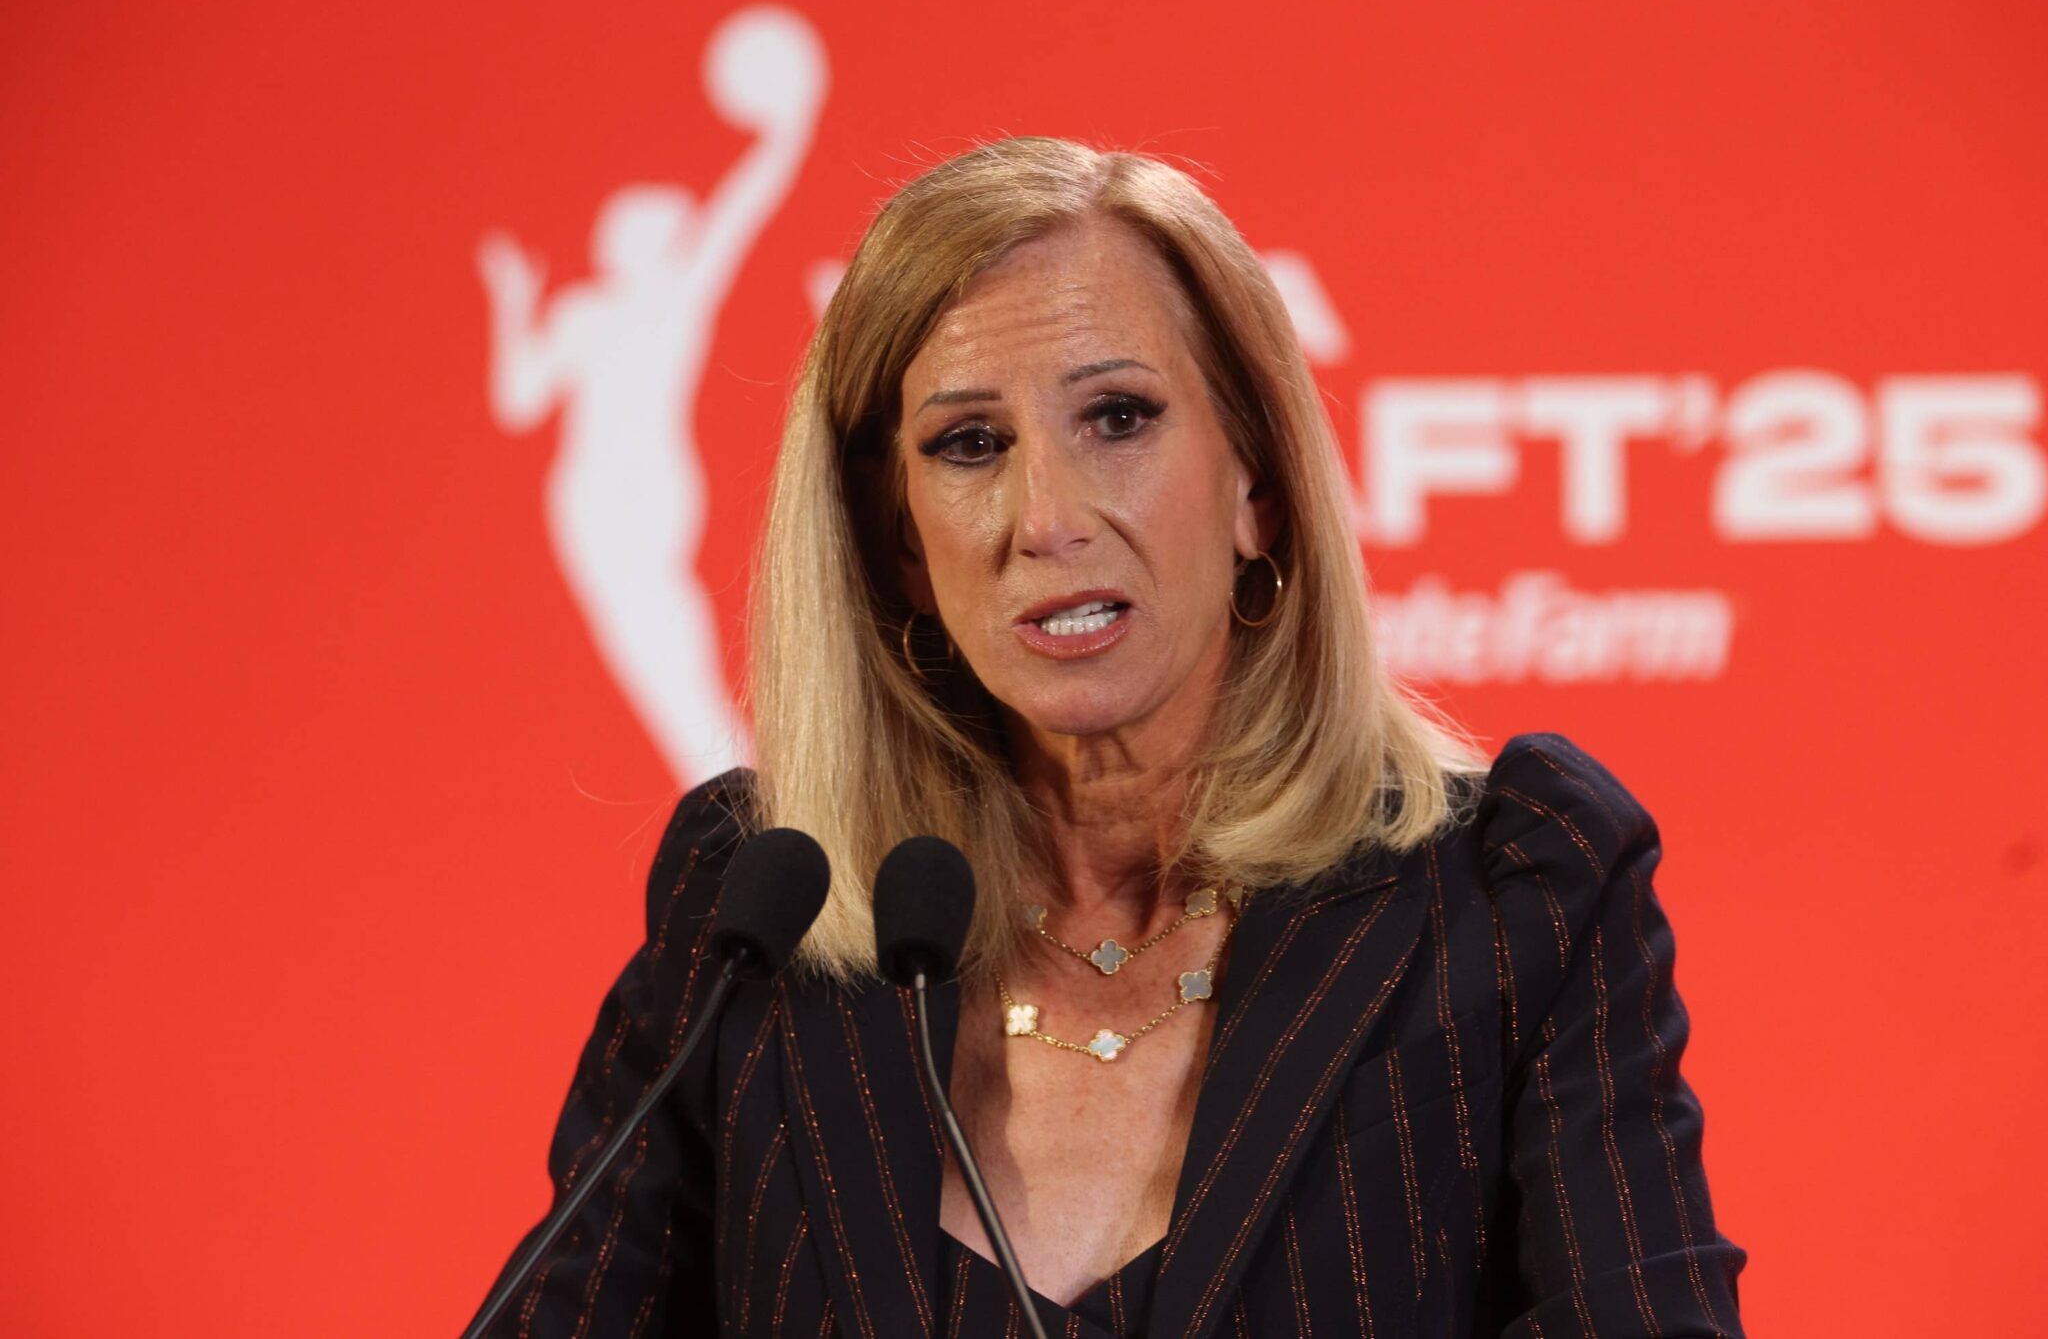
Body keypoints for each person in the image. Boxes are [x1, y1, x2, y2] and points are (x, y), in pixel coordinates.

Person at [471, 136, 1747, 1338]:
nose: (1048, 517)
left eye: (1119, 418)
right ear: (900, 540)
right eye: (969, 444)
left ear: (1257, 480)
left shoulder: (1513, 894)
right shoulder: (759, 913)